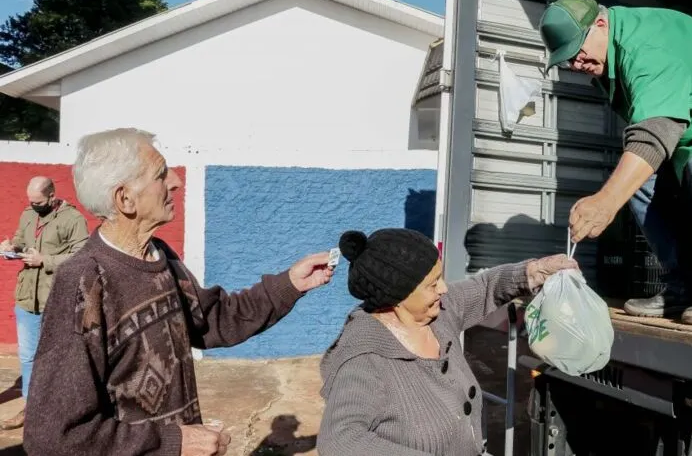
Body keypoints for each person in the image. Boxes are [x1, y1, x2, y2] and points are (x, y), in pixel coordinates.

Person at [22, 128, 335, 456]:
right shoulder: (82, 283)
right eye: (160, 175)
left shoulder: (161, 256)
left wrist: (290, 284)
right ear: (125, 199)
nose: (175, 181)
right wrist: (173, 442)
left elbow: (215, 319)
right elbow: (52, 436)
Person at [538, 0, 692, 326]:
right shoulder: (606, 60)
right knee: (640, 184)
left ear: (601, 23)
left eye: (577, 51)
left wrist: (606, 202)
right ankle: (680, 288)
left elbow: (655, 132)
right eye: (567, 60)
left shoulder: (647, 46)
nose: (576, 64)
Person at [316, 227, 579, 456]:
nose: (443, 289)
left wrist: (533, 272)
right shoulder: (364, 360)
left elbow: (486, 286)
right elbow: (340, 441)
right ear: (397, 298)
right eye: (432, 284)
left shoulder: (439, 314)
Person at [0, 176, 89, 430]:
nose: (33, 205)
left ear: (52, 196)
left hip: (56, 299)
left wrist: (45, 260)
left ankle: (60, 411)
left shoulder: (73, 220)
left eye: (38, 202)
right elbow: (20, 238)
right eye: (31, 201)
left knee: (58, 358)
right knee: (28, 357)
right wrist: (10, 247)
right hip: (27, 297)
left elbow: (82, 256)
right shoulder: (28, 214)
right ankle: (30, 408)